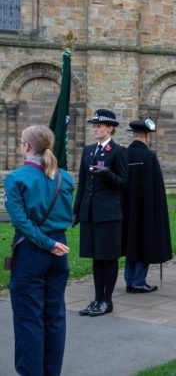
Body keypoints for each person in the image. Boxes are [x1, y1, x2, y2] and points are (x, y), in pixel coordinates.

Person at [5, 125, 74, 376]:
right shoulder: (65, 178)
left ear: (26, 146)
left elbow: (20, 222)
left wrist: (46, 243)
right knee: (54, 317)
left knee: (28, 318)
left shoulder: (16, 178)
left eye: (21, 142)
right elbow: (68, 215)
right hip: (59, 249)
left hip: (32, 250)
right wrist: (53, 242)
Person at [74, 109, 128, 316]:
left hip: (108, 214)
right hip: (90, 213)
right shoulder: (89, 151)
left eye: (99, 126)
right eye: (94, 126)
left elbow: (123, 183)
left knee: (109, 257)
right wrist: (76, 211)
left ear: (110, 128)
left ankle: (107, 300)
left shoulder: (118, 151)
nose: (95, 129)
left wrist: (107, 173)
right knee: (96, 257)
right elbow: (82, 184)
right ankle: (97, 299)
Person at [121, 119, 172, 293]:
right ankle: (138, 281)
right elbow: (157, 188)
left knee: (131, 243)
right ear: (147, 136)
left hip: (127, 209)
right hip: (146, 210)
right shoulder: (149, 157)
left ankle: (129, 280)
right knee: (144, 243)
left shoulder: (124, 154)